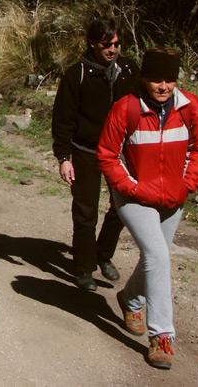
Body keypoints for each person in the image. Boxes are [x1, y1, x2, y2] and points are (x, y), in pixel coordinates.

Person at [98, 48, 198, 370]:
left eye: (170, 80)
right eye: (156, 80)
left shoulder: (190, 107)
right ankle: (161, 336)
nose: (163, 86)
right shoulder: (127, 108)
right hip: (134, 196)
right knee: (159, 257)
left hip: (173, 197)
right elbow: (107, 154)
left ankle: (131, 299)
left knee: (154, 256)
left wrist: (187, 184)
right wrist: (131, 187)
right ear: (144, 79)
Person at [51, 18, 139, 290]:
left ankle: (103, 253)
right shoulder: (76, 74)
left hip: (120, 152)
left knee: (124, 208)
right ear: (92, 43)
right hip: (86, 151)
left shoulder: (128, 70)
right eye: (106, 44)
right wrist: (64, 157)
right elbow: (63, 118)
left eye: (116, 43)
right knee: (86, 211)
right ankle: (84, 267)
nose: (112, 49)